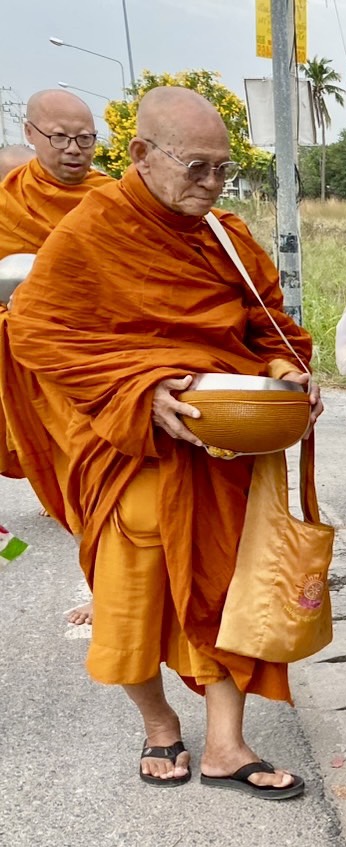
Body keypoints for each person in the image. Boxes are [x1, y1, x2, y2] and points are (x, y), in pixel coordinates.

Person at [8, 87, 322, 794]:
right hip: (132, 453)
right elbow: (34, 330)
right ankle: (158, 725)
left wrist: (283, 371)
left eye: (222, 169)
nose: (211, 184)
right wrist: (138, 391)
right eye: (196, 167)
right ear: (142, 155)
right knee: (131, 601)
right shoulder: (93, 230)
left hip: (226, 449)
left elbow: (269, 323)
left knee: (228, 590)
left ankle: (226, 746)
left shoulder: (226, 235)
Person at [0, 90, 112, 625]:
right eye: (60, 137)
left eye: (85, 138)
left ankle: (115, 588)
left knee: (104, 477)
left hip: (100, 361)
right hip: (34, 368)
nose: (74, 150)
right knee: (70, 482)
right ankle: (104, 585)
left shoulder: (113, 199)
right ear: (30, 134)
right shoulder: (7, 202)